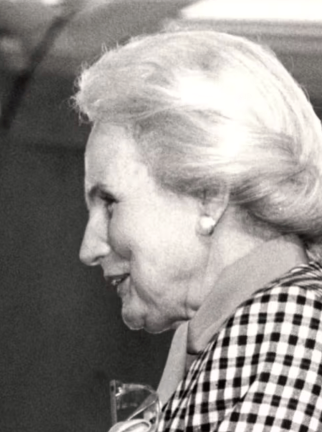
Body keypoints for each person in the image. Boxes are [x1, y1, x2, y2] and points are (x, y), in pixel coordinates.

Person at [74, 29, 322, 431]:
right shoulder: (244, 330)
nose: (90, 248)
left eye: (110, 203)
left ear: (209, 198)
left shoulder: (291, 322)